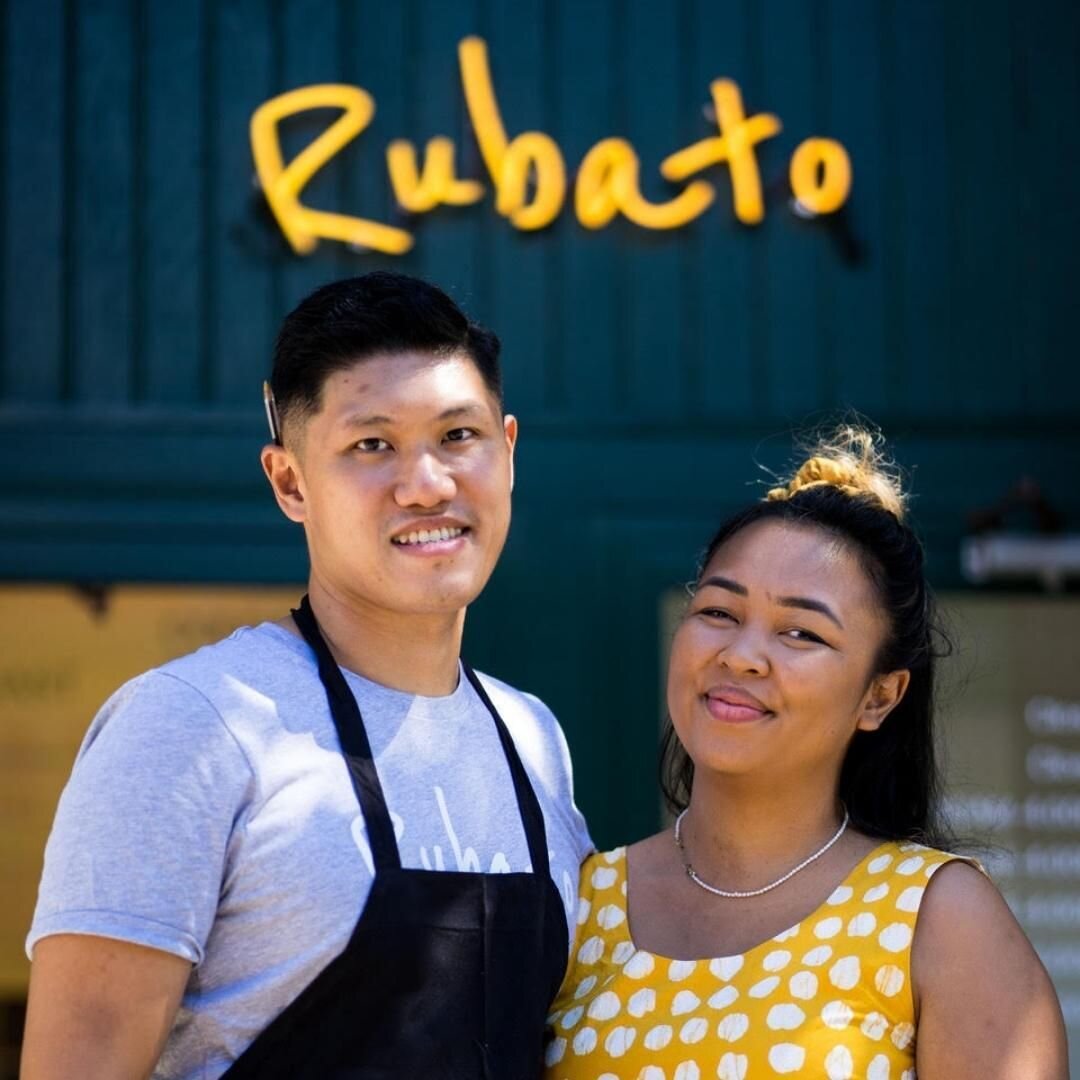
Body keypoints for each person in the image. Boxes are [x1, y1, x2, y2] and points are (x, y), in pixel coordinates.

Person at [22, 271, 592, 1079]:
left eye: (458, 436)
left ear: (508, 451)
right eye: (372, 445)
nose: (427, 483)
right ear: (290, 482)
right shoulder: (191, 724)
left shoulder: (530, 738)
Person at [546, 428, 1066, 1080]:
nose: (740, 655)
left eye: (801, 631)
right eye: (718, 611)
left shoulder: (938, 919)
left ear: (879, 696)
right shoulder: (578, 904)